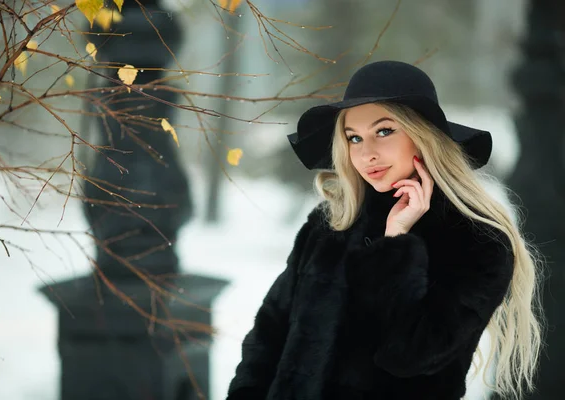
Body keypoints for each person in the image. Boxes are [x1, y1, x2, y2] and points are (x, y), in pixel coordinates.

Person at [226, 60, 545, 400]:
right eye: (354, 138)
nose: (367, 154)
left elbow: (409, 355)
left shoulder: (477, 241)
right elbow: (267, 336)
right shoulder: (331, 223)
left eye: (384, 131)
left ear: (423, 135)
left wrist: (396, 245)